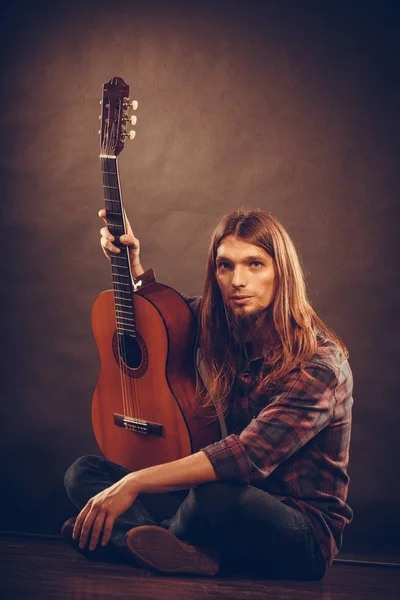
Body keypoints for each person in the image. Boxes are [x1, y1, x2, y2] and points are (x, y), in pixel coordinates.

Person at [62, 208, 353, 580]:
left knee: (211, 495)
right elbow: (164, 318)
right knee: (83, 472)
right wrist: (131, 265)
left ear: (282, 272)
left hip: (298, 532)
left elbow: (246, 457)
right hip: (217, 502)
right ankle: (177, 549)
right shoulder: (225, 325)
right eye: (225, 266)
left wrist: (133, 483)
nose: (237, 281)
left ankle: (134, 542)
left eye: (255, 265)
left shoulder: (321, 365)